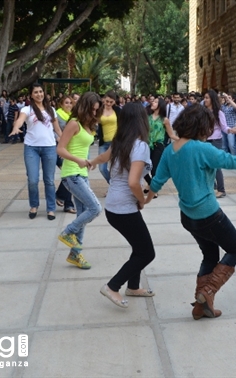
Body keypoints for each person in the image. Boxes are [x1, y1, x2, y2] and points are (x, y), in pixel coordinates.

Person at [145, 104, 236, 320]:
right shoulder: (201, 149)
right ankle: (208, 291)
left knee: (210, 254)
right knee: (235, 249)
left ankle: (201, 306)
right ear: (201, 127)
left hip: (188, 217)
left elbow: (156, 182)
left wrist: (144, 201)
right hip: (209, 215)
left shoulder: (171, 149)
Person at [89, 103, 156, 308]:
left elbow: (102, 157)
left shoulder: (120, 141)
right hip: (124, 208)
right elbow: (134, 182)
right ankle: (112, 286)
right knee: (147, 253)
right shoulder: (140, 146)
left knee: (138, 247)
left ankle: (133, 286)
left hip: (114, 207)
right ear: (141, 121)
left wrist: (90, 162)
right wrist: (142, 201)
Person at [56, 92, 103, 269]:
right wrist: (78, 161)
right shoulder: (74, 123)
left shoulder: (88, 125)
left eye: (96, 110)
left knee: (83, 213)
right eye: (92, 109)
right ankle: (67, 232)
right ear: (84, 106)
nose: (94, 112)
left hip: (82, 173)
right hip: (71, 174)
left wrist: (89, 161)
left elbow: (81, 147)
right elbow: (60, 149)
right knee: (95, 208)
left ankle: (75, 255)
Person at [10, 84, 62, 220]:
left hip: (49, 147)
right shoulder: (27, 109)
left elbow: (57, 129)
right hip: (31, 148)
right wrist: (16, 127)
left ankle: (51, 208)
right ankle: (34, 205)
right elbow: (20, 120)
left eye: (41, 92)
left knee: (49, 180)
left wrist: (63, 142)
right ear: (31, 95)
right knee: (33, 180)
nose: (39, 94)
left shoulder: (51, 110)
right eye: (36, 92)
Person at [204, 89, 236, 198]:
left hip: (215, 141)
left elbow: (224, 127)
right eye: (204, 98)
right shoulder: (203, 111)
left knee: (216, 165)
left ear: (212, 99)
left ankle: (221, 189)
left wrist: (231, 130)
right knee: (205, 165)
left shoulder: (219, 113)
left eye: (207, 98)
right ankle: (210, 186)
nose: (204, 100)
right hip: (204, 141)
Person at [143, 96, 179, 194]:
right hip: (146, 145)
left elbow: (171, 134)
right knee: (142, 168)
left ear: (160, 105)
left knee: (154, 169)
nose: (152, 103)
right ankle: (150, 184)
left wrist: (182, 140)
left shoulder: (165, 120)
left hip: (158, 145)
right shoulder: (147, 117)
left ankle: (153, 190)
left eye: (155, 102)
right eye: (153, 101)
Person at [55, 96, 77, 214]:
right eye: (66, 103)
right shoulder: (57, 115)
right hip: (57, 148)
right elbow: (53, 130)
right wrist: (59, 142)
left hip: (68, 148)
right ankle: (64, 200)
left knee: (69, 175)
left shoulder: (72, 116)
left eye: (71, 103)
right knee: (70, 174)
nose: (69, 105)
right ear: (61, 104)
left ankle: (64, 199)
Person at [97, 90, 120, 184]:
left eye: (111, 102)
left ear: (114, 101)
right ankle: (112, 185)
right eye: (107, 101)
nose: (109, 104)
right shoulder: (99, 110)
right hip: (104, 142)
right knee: (102, 168)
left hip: (116, 142)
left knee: (115, 168)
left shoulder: (118, 110)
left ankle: (114, 188)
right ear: (103, 100)